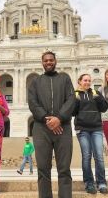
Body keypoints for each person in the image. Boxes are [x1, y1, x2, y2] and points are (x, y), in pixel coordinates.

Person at [28, 51, 76, 198]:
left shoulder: (65, 78)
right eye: (46, 60)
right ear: (42, 63)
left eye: (51, 60)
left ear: (55, 61)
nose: (48, 62)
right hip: (41, 128)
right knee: (43, 168)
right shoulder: (35, 81)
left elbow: (71, 99)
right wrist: (46, 119)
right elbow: (32, 103)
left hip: (63, 127)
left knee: (64, 168)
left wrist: (59, 118)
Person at [73, 74, 108, 194]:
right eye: (85, 80)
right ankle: (89, 183)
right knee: (86, 156)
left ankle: (102, 182)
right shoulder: (76, 94)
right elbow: (72, 112)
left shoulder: (96, 93)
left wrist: (98, 98)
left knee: (99, 156)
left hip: (96, 128)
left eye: (89, 80)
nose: (87, 82)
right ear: (80, 81)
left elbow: (104, 108)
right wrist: (76, 101)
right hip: (82, 129)